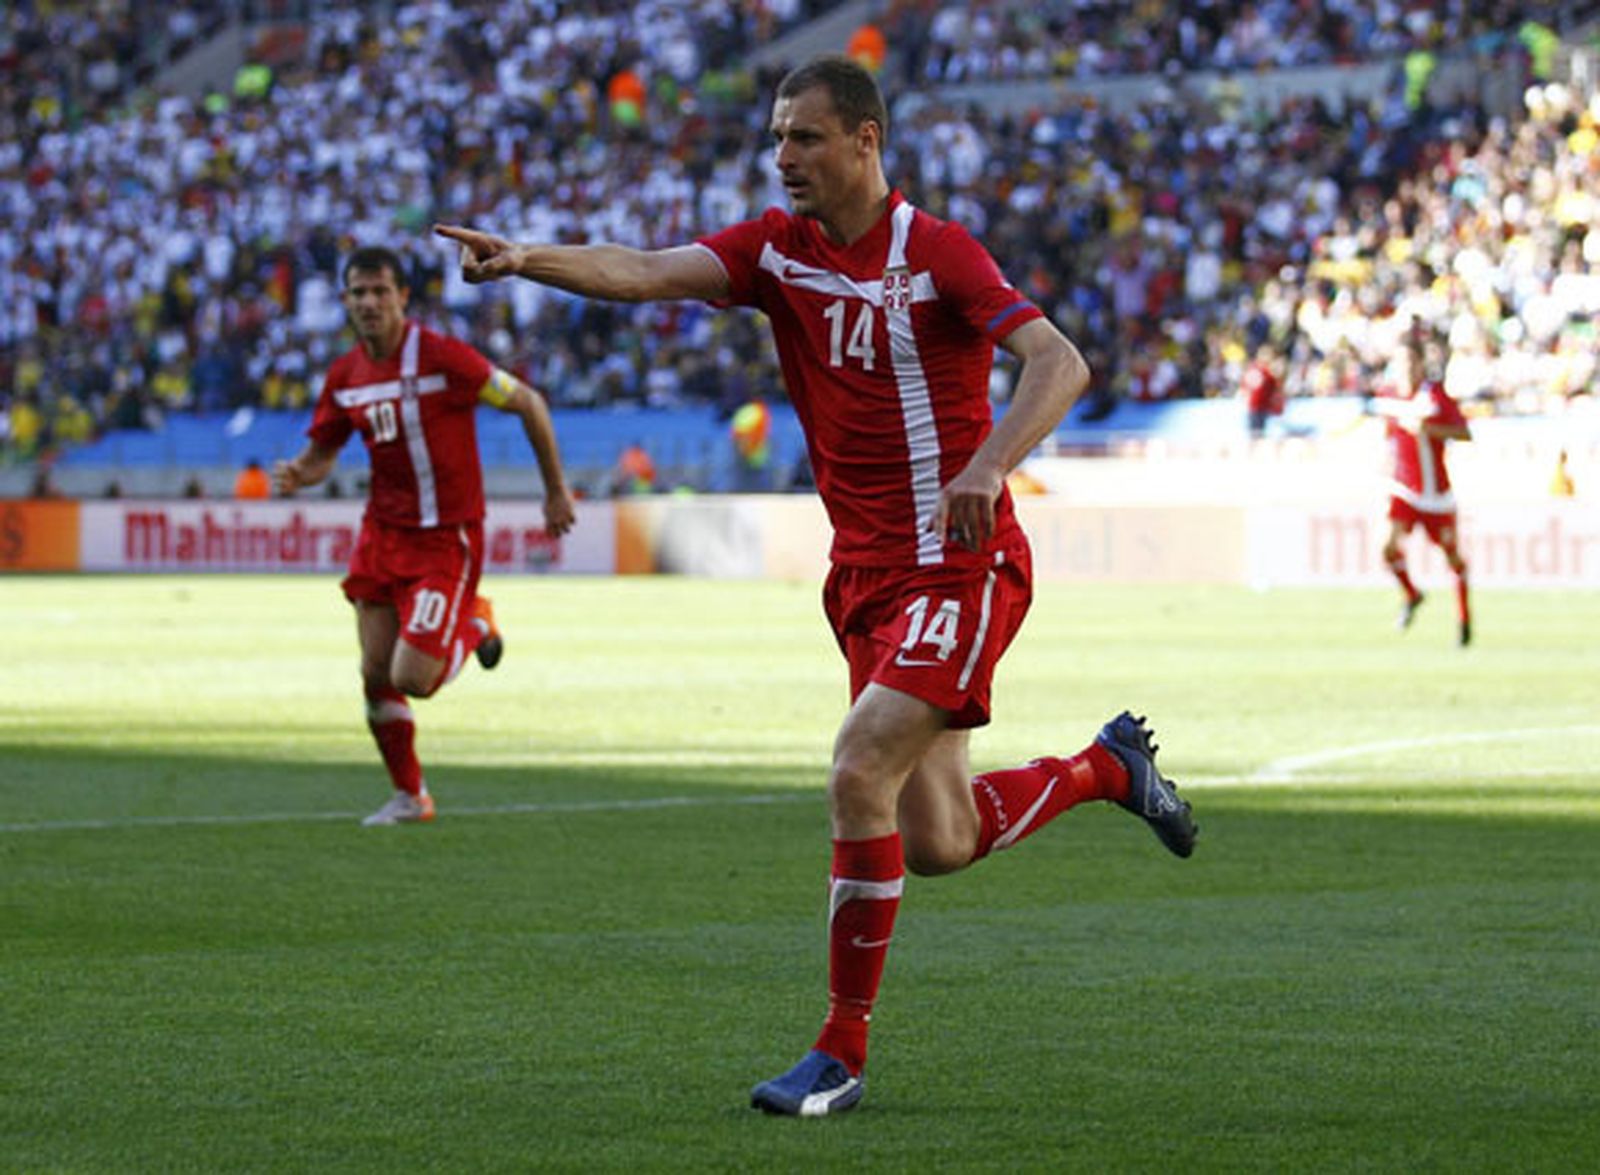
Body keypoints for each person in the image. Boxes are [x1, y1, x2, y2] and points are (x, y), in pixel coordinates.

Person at [436, 55, 1195, 1116]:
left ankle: (838, 1052)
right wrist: (526, 259)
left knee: (854, 769)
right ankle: (1105, 771)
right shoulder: (774, 252)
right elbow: (646, 270)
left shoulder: (933, 252)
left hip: (959, 562)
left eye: (803, 137)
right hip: (865, 581)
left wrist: (986, 466)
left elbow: (1056, 360)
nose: (782, 156)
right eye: (778, 137)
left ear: (864, 141)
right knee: (938, 841)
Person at [273, 246, 576, 825]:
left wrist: (556, 491)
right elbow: (321, 457)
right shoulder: (345, 375)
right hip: (381, 536)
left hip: (445, 539)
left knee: (414, 678)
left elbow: (529, 403)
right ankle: (411, 796)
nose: (368, 303)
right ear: (344, 301)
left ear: (402, 297)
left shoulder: (441, 358)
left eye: (379, 291)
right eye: (358, 293)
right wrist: (299, 473)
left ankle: (478, 621)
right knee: (374, 673)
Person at [1369, 329, 1472, 646]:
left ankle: (1464, 620)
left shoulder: (1435, 397)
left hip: (1437, 494)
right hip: (1404, 489)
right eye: (1400, 363)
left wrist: (1429, 429)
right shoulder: (1389, 398)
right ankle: (1412, 594)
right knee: (1386, 546)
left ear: (1420, 364)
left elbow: (1464, 432)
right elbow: (1389, 439)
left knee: (1453, 558)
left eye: (1411, 362)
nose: (1406, 369)